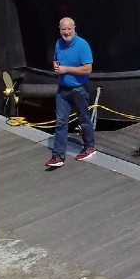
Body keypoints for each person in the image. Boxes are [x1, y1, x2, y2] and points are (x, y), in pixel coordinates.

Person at [46, 17, 95, 168]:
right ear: (60, 29)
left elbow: (88, 69)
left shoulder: (82, 45)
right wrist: (56, 65)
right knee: (61, 122)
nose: (66, 32)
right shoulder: (58, 43)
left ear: (74, 28)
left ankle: (89, 147)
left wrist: (66, 70)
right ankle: (58, 156)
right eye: (63, 29)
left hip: (79, 89)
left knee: (83, 119)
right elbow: (56, 59)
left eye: (69, 29)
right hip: (63, 90)